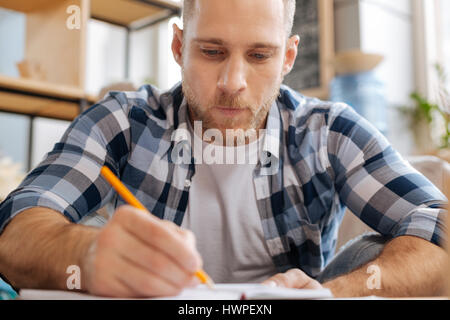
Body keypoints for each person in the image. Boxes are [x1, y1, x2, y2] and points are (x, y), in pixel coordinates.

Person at [0, 0, 447, 298]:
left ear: (288, 58)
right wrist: (88, 254)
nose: (232, 83)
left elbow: (439, 226)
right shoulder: (123, 120)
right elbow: (16, 228)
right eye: (212, 51)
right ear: (178, 46)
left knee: (373, 249)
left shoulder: (329, 131)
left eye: (259, 56)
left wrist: (330, 295)